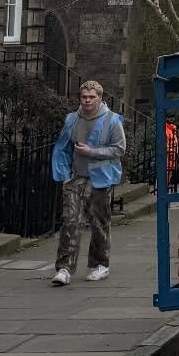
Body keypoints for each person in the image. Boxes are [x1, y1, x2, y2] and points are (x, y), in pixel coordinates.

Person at [50, 80, 126, 287]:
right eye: (84, 97)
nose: (87, 100)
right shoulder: (72, 120)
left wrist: (91, 152)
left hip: (101, 179)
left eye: (92, 97)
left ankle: (100, 265)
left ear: (100, 98)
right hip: (76, 178)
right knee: (70, 221)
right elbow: (61, 148)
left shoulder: (112, 120)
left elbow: (119, 149)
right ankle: (65, 268)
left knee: (99, 222)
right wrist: (64, 175)